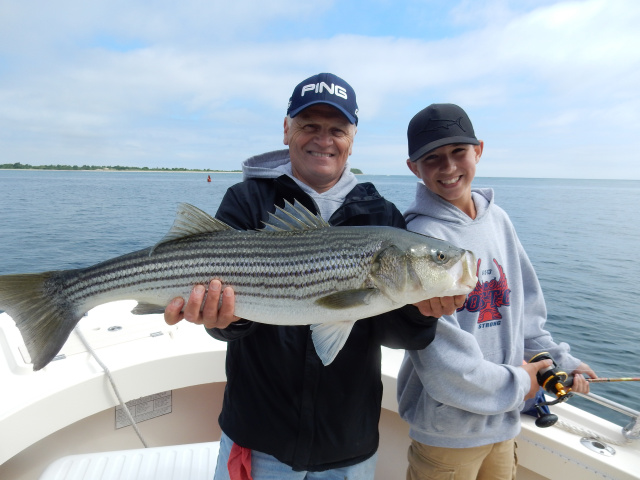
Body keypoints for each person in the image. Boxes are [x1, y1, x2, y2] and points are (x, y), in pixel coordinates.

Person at [164, 74, 465, 479]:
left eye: (336, 130)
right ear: (287, 130)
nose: (323, 140)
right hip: (258, 437)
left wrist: (423, 313)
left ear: (352, 139)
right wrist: (223, 321)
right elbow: (228, 325)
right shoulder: (247, 200)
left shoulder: (381, 215)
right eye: (309, 126)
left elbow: (399, 336)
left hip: (349, 445)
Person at [396, 103, 597, 480]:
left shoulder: (498, 219)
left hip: (504, 425)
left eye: (459, 152)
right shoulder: (421, 242)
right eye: (433, 158)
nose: (450, 167)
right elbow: (445, 370)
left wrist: (561, 360)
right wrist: (525, 381)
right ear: (414, 168)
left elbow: (524, 314)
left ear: (479, 150)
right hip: (447, 435)